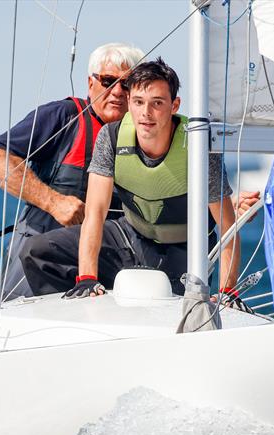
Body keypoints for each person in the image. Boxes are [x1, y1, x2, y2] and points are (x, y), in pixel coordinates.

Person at [20, 58, 250, 310]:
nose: (146, 113)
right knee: (38, 251)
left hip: (182, 249)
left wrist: (228, 291)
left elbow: (228, 230)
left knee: (166, 307)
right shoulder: (112, 137)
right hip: (129, 236)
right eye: (139, 102)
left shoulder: (199, 147)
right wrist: (87, 278)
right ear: (129, 102)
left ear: (174, 105)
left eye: (157, 103)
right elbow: (95, 213)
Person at [0, 42, 144, 300]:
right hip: (41, 256)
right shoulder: (63, 116)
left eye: (128, 84)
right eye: (109, 81)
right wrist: (54, 202)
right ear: (91, 83)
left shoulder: (143, 135)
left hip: (106, 263)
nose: (118, 92)